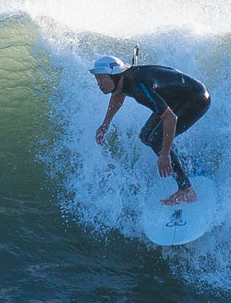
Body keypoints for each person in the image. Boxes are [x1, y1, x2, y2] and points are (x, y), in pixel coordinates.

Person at [90, 55, 211, 205]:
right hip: (176, 98)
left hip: (196, 99)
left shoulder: (137, 86)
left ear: (115, 75)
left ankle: (186, 190)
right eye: (97, 79)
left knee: (156, 140)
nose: (99, 83)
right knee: (145, 135)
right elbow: (118, 95)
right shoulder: (122, 81)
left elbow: (170, 119)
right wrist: (105, 124)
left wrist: (164, 154)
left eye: (101, 78)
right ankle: (183, 163)